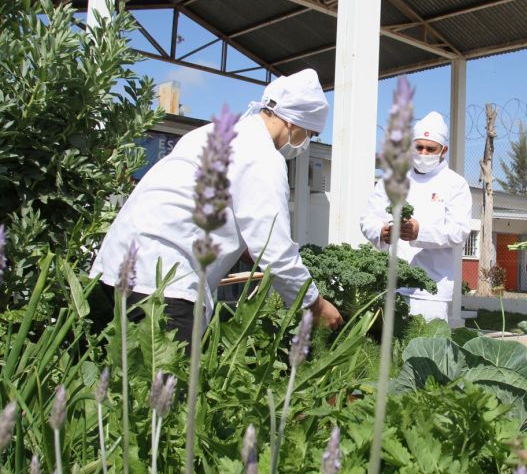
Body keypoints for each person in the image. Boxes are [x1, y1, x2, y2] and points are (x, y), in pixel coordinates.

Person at [90, 68, 343, 345]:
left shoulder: (213, 133)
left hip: (113, 269)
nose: (306, 143)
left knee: (109, 378)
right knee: (166, 385)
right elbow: (275, 250)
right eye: (310, 134)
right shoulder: (262, 157)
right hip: (165, 286)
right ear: (294, 124)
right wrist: (314, 305)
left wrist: (246, 250)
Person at [360, 111, 472, 322]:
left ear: (443, 151)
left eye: (431, 149)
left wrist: (420, 232)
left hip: (431, 292)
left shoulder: (455, 184)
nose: (423, 152)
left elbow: (459, 232)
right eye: (418, 147)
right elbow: (368, 219)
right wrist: (382, 232)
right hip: (391, 286)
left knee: (425, 352)